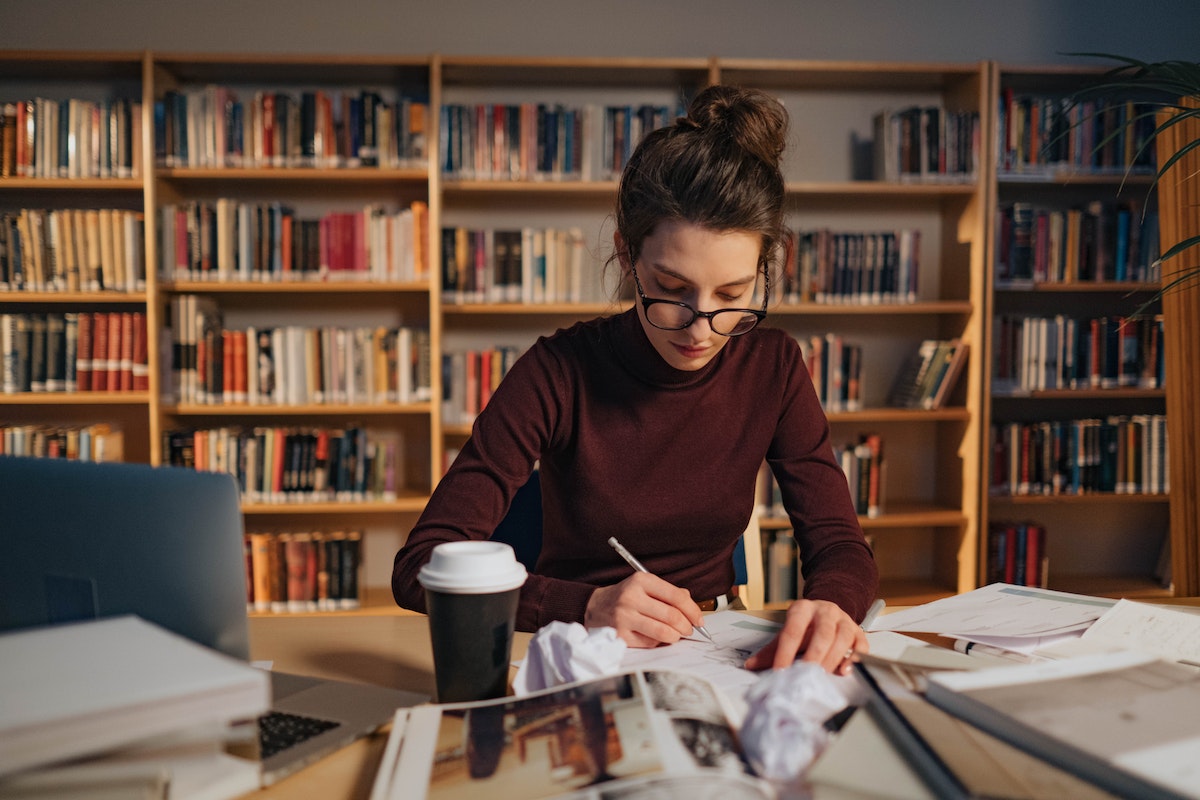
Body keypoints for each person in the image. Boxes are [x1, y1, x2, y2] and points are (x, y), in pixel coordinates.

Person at [393, 85, 878, 674]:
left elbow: (839, 544)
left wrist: (833, 606)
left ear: (765, 268)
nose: (701, 327)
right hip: (587, 652)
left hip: (722, 649)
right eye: (672, 291)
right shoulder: (557, 372)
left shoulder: (773, 366)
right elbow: (419, 564)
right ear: (627, 258)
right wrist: (584, 605)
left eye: (732, 294)